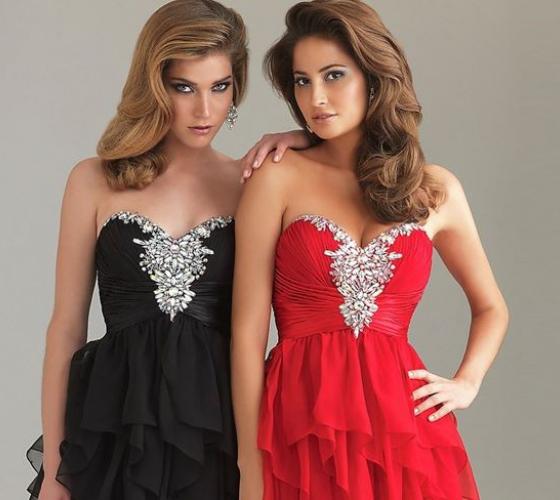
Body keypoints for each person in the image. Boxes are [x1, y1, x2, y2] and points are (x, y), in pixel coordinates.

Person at [25, 1, 308, 499]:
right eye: (184, 87)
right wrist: (53, 472)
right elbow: (66, 328)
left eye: (220, 87)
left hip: (218, 432)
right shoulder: (93, 180)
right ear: (155, 86)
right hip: (115, 427)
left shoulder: (254, 184)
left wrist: (304, 139)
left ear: (236, 87)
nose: (205, 110)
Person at [231, 1, 509, 499]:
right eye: (302, 81)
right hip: (299, 427)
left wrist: (466, 383)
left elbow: (492, 308)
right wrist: (250, 462)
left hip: (404, 432)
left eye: (334, 75)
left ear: (374, 78)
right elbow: (247, 335)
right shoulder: (277, 178)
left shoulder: (435, 189)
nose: (316, 98)